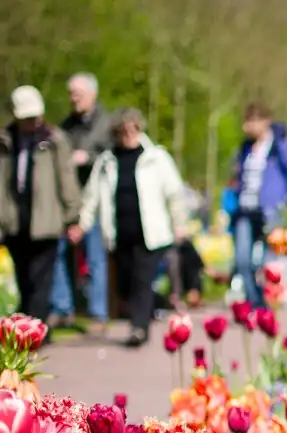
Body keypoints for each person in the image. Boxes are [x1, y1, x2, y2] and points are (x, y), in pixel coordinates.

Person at [71, 108, 187, 347]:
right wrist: (81, 225)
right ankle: (150, 309)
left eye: (133, 130)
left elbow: (174, 193)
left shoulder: (156, 157)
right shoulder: (106, 161)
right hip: (118, 233)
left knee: (142, 279)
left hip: (150, 234)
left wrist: (179, 224)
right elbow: (91, 197)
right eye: (124, 131)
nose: (129, 135)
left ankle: (139, 328)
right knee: (125, 284)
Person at [0, 86, 81, 328]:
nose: (31, 122)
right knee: (23, 279)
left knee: (41, 280)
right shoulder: (5, 141)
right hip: (15, 221)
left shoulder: (54, 141)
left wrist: (72, 217)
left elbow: (67, 179)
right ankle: (28, 328)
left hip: (47, 221)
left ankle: (34, 329)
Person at [52, 73, 111, 333]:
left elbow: (110, 157)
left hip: (95, 200)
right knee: (60, 253)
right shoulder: (65, 126)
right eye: (70, 93)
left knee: (95, 256)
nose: (73, 98)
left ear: (93, 94)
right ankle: (62, 308)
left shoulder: (107, 124)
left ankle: (98, 313)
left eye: (78, 93)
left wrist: (86, 157)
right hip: (68, 201)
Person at [230, 101, 287, 307]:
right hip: (245, 209)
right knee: (242, 260)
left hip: (271, 210)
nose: (248, 127)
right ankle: (254, 301)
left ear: (265, 122)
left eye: (252, 122)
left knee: (267, 262)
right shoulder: (245, 147)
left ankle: (268, 302)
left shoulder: (279, 146)